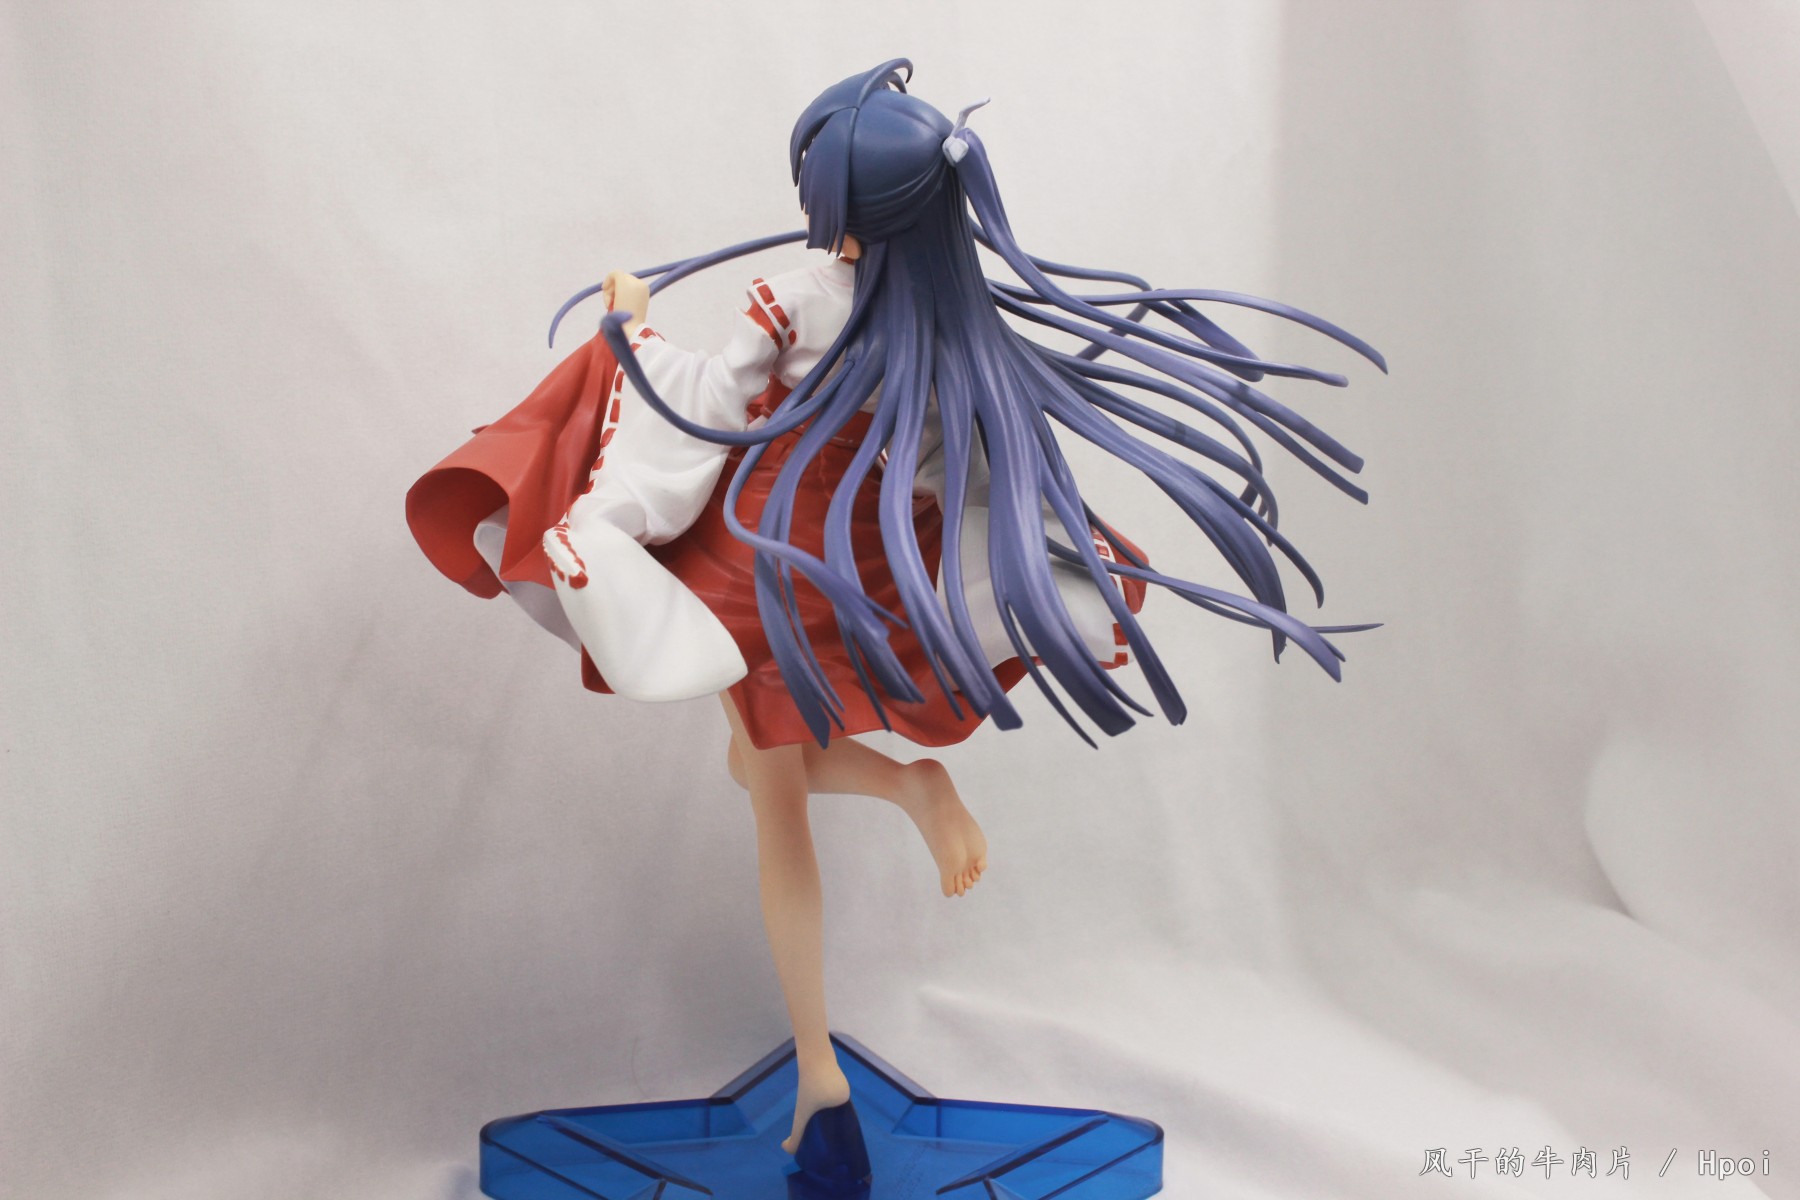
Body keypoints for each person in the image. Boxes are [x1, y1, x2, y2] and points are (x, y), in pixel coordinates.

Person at [406, 58, 1384, 1179]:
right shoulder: (951, 322)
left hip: (762, 552)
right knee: (753, 767)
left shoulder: (797, 299)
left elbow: (707, 407)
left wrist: (627, 337)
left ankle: (822, 1068)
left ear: (844, 213)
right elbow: (955, 462)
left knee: (771, 794)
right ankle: (906, 796)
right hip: (860, 561)